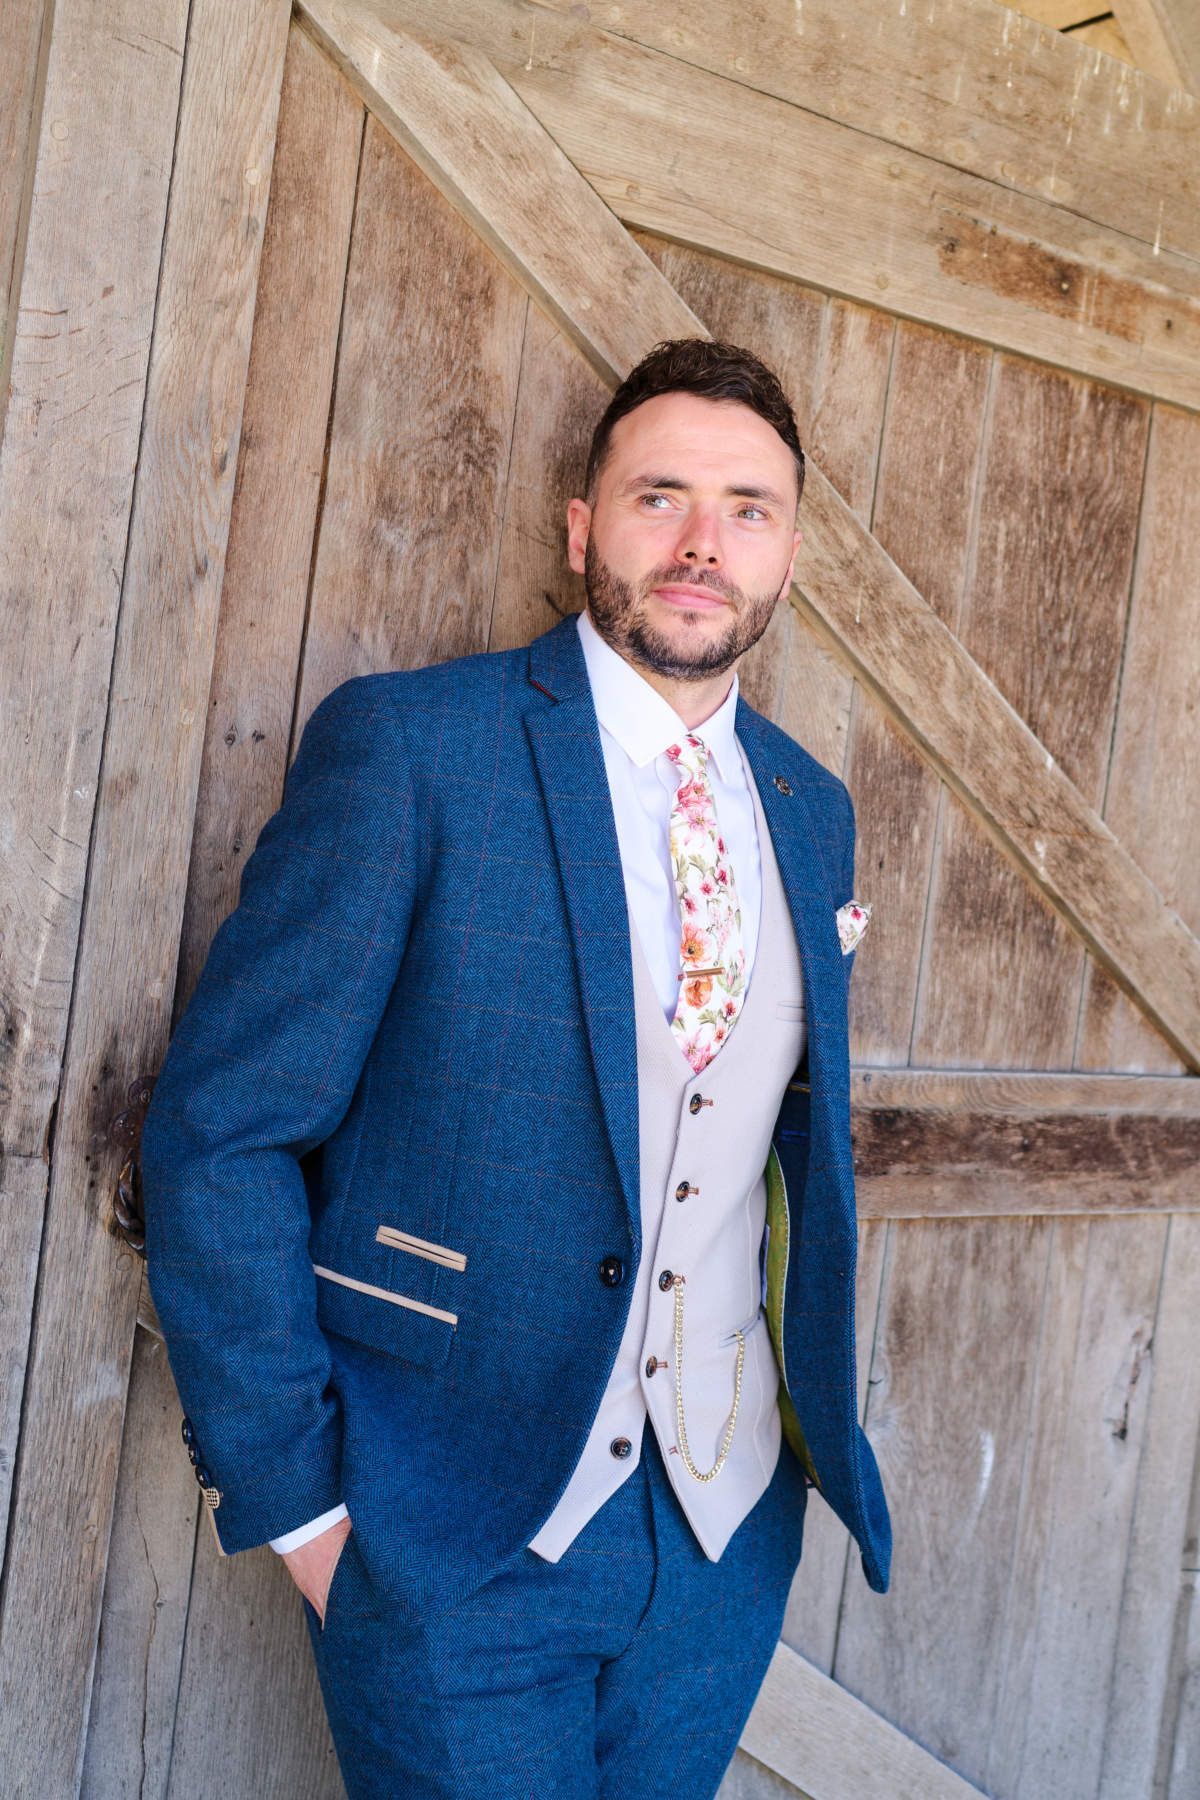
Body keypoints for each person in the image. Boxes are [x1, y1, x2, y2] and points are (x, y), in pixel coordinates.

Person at [141, 336, 891, 1798]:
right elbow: (222, 1133)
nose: (698, 543)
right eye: (657, 495)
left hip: (721, 1543)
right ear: (581, 528)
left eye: (747, 508)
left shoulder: (813, 810)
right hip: (451, 1537)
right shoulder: (419, 750)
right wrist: (302, 1510)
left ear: (788, 554)